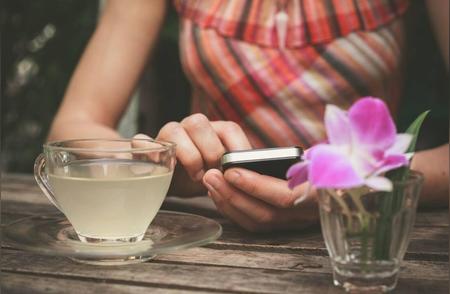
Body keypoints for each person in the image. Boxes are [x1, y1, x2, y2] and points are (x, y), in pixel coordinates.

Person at [48, 0, 448, 232]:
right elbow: (73, 127)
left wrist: (359, 189)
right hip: (214, 240)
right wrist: (166, 162)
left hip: (365, 238)